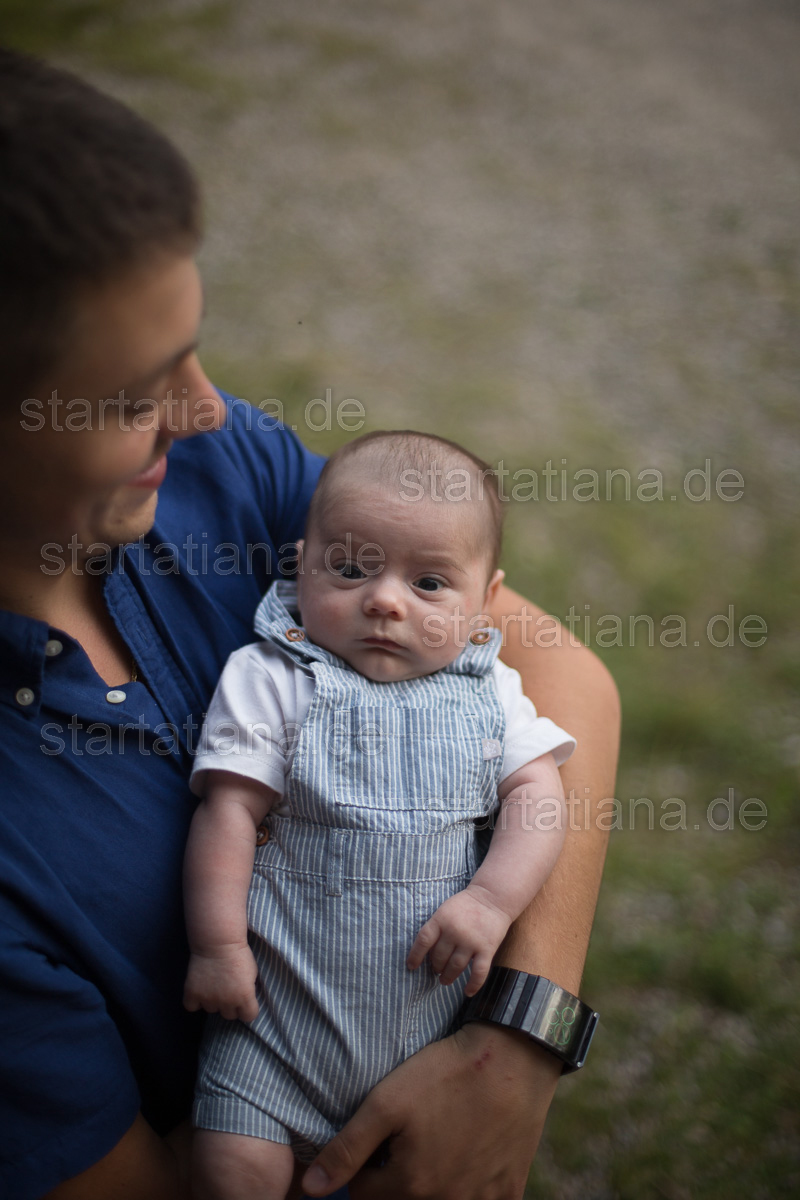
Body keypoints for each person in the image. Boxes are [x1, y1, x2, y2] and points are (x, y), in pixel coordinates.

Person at [0, 47, 619, 1200]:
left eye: (194, 347)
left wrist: (517, 1043)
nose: (206, 407)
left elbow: (558, 673)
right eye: (134, 394)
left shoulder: (207, 467)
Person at [183, 431, 576, 1199]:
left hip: (425, 1039)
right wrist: (218, 947)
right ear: (303, 563)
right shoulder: (273, 675)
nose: (386, 600)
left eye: (429, 583)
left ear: (486, 600)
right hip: (272, 1030)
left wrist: (491, 902)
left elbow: (538, 796)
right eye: (351, 568)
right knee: (231, 1172)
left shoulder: (492, 692)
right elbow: (228, 812)